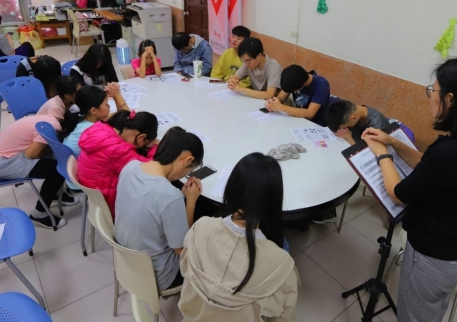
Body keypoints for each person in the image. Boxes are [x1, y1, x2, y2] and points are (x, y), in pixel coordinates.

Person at [360, 57, 457, 322]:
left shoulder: (450, 152)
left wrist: (382, 154)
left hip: (434, 258)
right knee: (432, 308)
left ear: (450, 99)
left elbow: (398, 193)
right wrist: (393, 142)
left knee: (414, 316)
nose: (430, 97)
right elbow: (430, 167)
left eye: (432, 90)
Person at [179, 152, 299, 322]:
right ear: (274, 199)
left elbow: (185, 270)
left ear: (231, 188)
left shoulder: (200, 227)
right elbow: (284, 315)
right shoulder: (281, 264)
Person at [114, 127, 204, 290]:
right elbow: (182, 250)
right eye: (188, 170)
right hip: (158, 275)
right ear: (186, 160)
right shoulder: (170, 196)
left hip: (125, 262)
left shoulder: (130, 167)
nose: (184, 175)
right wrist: (190, 202)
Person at [0, 114, 79, 229]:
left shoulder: (51, 118)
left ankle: (54, 193)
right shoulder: (53, 127)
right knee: (57, 169)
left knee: (52, 157)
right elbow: (31, 155)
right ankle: (40, 213)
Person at [77, 109, 159, 218]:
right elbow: (153, 169)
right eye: (145, 143)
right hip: (110, 202)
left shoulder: (101, 127)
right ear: (141, 137)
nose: (143, 146)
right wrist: (155, 147)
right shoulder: (118, 150)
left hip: (94, 190)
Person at [62, 84, 129, 157]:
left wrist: (115, 97)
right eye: (106, 104)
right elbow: (128, 122)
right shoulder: (93, 130)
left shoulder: (82, 116)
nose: (109, 106)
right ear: (94, 110)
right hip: (78, 162)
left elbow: (120, 116)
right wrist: (118, 96)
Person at [265, 65, 331, 127]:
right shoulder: (294, 77)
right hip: (297, 120)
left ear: (301, 86)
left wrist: (281, 107)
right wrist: (272, 102)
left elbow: (310, 113)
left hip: (315, 125)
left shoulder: (321, 85)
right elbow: (281, 98)